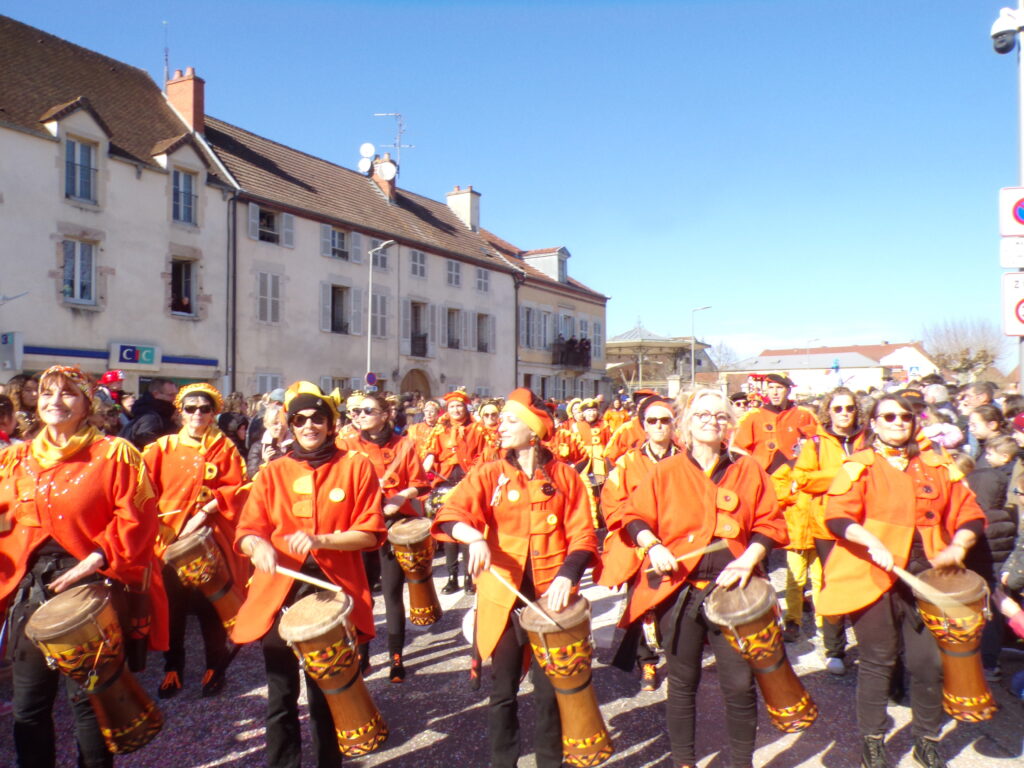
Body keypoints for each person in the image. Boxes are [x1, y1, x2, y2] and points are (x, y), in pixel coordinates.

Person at [604, 388, 785, 768]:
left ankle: (741, 763)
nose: (711, 422)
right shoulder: (665, 471)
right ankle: (683, 762)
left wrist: (750, 557)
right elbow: (633, 516)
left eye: (720, 416)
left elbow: (770, 522)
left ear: (730, 425)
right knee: (683, 685)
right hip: (680, 592)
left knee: (738, 684)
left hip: (733, 591)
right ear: (686, 423)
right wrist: (652, 546)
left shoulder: (747, 467)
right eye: (702, 415)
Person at [0, 365, 168, 768]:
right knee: (29, 707)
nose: (55, 402)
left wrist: (97, 558)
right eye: (46, 394)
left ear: (87, 403)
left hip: (90, 584)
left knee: (90, 705)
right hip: (29, 590)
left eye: (68, 393)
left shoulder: (113, 454)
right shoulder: (15, 458)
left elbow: (140, 516)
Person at [816, 394, 986, 768]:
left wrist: (959, 545)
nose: (897, 421)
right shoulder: (859, 466)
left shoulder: (937, 465)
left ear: (915, 422)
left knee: (929, 665)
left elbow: (970, 512)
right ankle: (873, 740)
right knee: (878, 660)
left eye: (905, 416)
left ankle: (926, 737)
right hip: (874, 575)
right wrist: (869, 539)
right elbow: (837, 515)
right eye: (887, 416)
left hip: (926, 582)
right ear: (873, 423)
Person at [432, 388, 597, 768]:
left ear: (533, 430)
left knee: (548, 692)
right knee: (502, 690)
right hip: (501, 596)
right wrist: (472, 536)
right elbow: (451, 513)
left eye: (509, 420)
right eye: (501, 419)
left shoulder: (566, 477)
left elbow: (583, 535)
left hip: (549, 598)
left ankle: (549, 763)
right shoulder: (489, 473)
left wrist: (566, 576)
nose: (500, 427)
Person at [232, 381, 385, 768]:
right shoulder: (273, 472)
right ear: (291, 424)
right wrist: (259, 545)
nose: (309, 426)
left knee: (324, 690)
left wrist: (322, 539)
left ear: (331, 424)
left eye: (318, 418)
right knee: (280, 690)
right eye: (299, 419)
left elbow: (369, 532)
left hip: (331, 589)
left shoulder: (355, 466)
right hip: (279, 589)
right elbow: (247, 531)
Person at [142, 383, 249, 699]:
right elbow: (141, 489)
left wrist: (201, 517)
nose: (198, 414)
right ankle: (172, 667)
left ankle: (214, 665)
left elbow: (235, 489)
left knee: (208, 606)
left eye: (205, 408)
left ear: (214, 412)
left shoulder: (224, 448)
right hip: (168, 540)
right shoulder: (161, 448)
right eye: (191, 408)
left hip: (207, 538)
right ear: (180, 412)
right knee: (171, 609)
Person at [339, 391, 430, 682]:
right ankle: (363, 656)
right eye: (355, 412)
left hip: (394, 525)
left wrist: (400, 495)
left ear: (384, 414)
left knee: (392, 593)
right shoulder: (346, 444)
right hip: (362, 526)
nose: (360, 416)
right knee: (362, 596)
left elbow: (419, 483)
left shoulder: (404, 445)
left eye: (367, 411)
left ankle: (396, 657)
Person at [598, 395, 680, 691]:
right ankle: (647, 663)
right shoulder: (627, 462)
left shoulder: (687, 458)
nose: (659, 426)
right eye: (652, 421)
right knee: (644, 604)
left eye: (665, 420)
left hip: (681, 545)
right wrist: (643, 537)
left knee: (678, 606)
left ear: (674, 424)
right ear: (643, 426)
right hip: (640, 545)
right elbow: (612, 504)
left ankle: (680, 658)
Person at [788, 386, 866, 673]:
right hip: (827, 525)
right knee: (832, 584)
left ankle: (869, 643)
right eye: (838, 408)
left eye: (849, 408)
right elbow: (803, 478)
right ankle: (834, 648)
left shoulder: (868, 438)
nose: (844, 413)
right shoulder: (816, 442)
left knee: (866, 581)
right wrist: (842, 473)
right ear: (828, 411)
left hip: (865, 523)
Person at [963, 433, 1018, 681]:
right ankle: (991, 662)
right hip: (998, 571)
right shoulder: (1008, 516)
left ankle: (983, 662)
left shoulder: (979, 521)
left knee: (986, 618)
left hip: (980, 572)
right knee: (993, 616)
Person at [422, 388, 488, 594]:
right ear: (447, 410)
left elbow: (484, 455)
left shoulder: (478, 429)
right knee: (448, 530)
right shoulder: (439, 430)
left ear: (466, 407)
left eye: (459, 406)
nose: (456, 409)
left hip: (469, 482)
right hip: (444, 483)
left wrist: (472, 477)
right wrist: (423, 469)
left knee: (468, 529)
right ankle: (452, 577)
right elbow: (431, 453)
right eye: (452, 406)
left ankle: (470, 577)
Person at [733, 373, 819, 474]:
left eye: (779, 388)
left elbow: (818, 443)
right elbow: (737, 448)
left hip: (795, 475)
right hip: (764, 476)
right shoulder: (752, 417)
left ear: (788, 391)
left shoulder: (804, 414)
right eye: (771, 388)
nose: (774, 392)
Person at [121, 378, 178, 450]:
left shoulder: (164, 413)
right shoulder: (150, 417)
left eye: (176, 394)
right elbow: (145, 441)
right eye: (171, 395)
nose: (175, 398)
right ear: (156, 394)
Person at [246, 404, 291, 479]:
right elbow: (252, 475)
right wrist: (264, 462)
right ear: (267, 425)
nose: (280, 427)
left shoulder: (295, 445)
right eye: (275, 423)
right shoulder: (258, 447)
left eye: (283, 423)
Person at [6, 374, 39, 439]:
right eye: (28, 390)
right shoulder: (6, 417)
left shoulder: (42, 417)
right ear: (16, 392)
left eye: (37, 390)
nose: (35, 394)